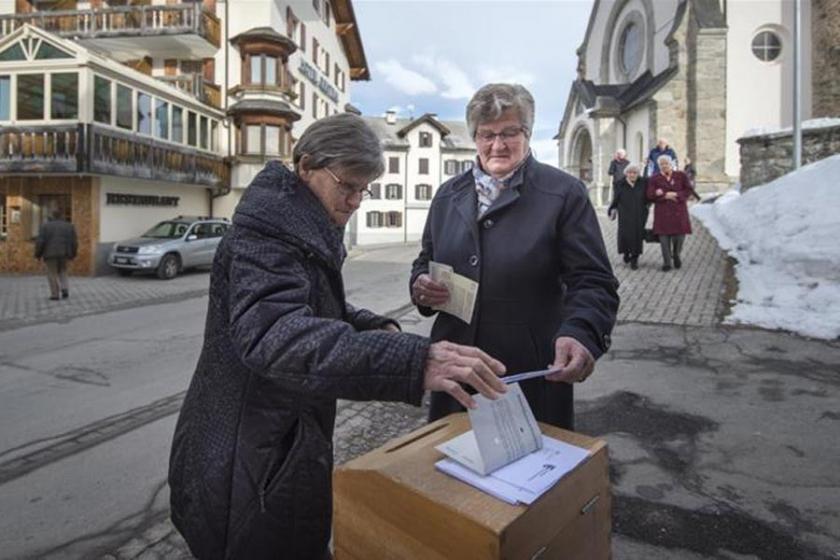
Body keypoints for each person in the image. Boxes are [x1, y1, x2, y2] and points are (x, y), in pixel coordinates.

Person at [168, 114, 508, 560]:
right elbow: (274, 335)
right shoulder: (268, 235)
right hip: (248, 460)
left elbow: (311, 305)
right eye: (347, 185)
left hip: (274, 448)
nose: (355, 201)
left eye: (363, 189)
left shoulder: (299, 223)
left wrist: (370, 326)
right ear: (306, 165)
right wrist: (412, 360)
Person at [410, 83, 619, 430]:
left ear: (528, 133)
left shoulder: (563, 194)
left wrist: (581, 332)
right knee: (449, 476)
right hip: (456, 369)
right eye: (486, 134)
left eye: (510, 132)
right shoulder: (448, 195)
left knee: (528, 477)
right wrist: (420, 285)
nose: (497, 145)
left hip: (527, 372)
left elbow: (593, 281)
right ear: (474, 137)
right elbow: (426, 258)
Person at [646, 155, 692, 271]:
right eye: (661, 164)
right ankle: (667, 262)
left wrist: (676, 194)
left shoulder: (681, 175)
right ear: (659, 166)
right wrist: (663, 195)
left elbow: (688, 190)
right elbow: (649, 195)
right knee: (664, 238)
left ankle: (676, 254)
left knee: (680, 236)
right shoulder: (654, 178)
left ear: (671, 164)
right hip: (663, 212)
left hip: (679, 211)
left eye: (666, 163)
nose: (664, 166)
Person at [608, 163, 648, 270]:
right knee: (625, 235)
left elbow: (648, 196)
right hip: (625, 214)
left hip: (639, 214)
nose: (632, 175)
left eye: (635, 173)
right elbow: (615, 199)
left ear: (638, 174)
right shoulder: (620, 184)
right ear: (626, 174)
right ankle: (626, 253)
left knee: (637, 236)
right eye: (630, 172)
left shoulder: (643, 183)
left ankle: (634, 259)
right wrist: (611, 209)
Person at [34, 208, 77, 300]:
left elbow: (40, 242)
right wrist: (73, 254)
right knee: (63, 271)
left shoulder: (45, 227)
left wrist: (38, 254)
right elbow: (74, 242)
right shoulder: (69, 226)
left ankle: (55, 294)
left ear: (52, 216)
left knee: (52, 273)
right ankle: (65, 288)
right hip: (64, 253)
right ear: (62, 216)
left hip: (50, 254)